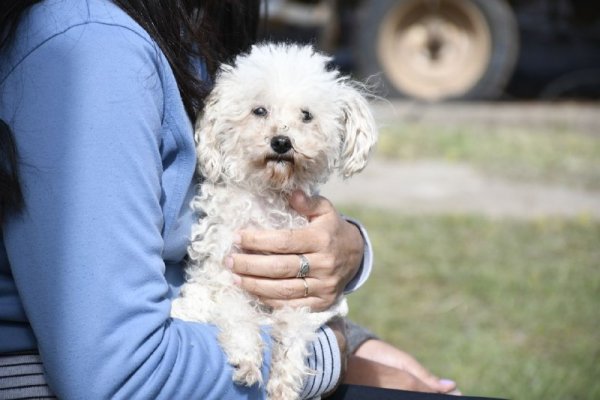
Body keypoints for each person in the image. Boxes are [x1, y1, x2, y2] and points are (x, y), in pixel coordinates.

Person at [0, 0, 458, 398]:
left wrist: (350, 282)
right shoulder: (92, 45)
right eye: (261, 113)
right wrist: (334, 355)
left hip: (220, 349)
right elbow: (115, 371)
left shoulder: (182, 31)